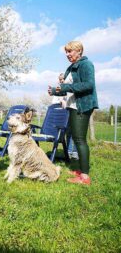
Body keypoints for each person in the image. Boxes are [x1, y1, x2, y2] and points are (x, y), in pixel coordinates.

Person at [48, 41, 98, 185]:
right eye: (67, 52)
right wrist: (57, 89)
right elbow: (67, 87)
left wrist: (66, 87)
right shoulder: (71, 67)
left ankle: (84, 177)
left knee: (80, 140)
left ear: (79, 51)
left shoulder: (86, 64)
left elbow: (88, 85)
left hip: (82, 106)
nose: (68, 55)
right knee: (77, 139)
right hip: (73, 106)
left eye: (70, 51)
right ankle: (81, 170)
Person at [52, 73, 78, 159]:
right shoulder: (58, 89)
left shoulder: (69, 88)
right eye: (60, 79)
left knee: (74, 132)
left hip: (71, 111)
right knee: (68, 132)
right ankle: (69, 151)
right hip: (62, 114)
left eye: (63, 79)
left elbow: (71, 100)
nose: (61, 81)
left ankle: (74, 152)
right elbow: (54, 102)